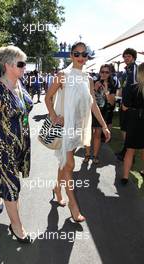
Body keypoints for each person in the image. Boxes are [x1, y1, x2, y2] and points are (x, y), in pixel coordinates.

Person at [45, 42, 110, 222]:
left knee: (65, 162)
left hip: (79, 128)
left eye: (84, 54)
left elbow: (92, 104)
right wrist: (54, 116)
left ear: (87, 56)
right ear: (71, 55)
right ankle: (73, 205)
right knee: (70, 165)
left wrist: (104, 125)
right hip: (65, 128)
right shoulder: (63, 75)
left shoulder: (88, 79)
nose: (81, 57)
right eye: (76, 53)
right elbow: (48, 98)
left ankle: (57, 188)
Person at [0, 45, 33, 243]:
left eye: (24, 63)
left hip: (21, 145)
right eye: (21, 64)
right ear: (8, 65)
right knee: (13, 186)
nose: (25, 67)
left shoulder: (20, 84)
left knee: (5, 179)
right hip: (3, 147)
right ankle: (17, 227)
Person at [85, 64, 117, 163]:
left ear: (110, 73)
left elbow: (112, 102)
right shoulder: (93, 82)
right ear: (99, 72)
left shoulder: (112, 85)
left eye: (107, 72)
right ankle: (87, 154)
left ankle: (95, 155)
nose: (104, 74)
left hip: (102, 112)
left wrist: (106, 90)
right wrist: (94, 88)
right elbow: (87, 98)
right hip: (90, 111)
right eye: (102, 72)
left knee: (97, 134)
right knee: (88, 133)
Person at [121, 62, 144, 185]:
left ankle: (125, 176)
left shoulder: (133, 87)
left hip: (134, 120)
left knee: (130, 150)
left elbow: (124, 106)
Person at [116, 48, 137, 161]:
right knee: (124, 129)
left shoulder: (134, 69)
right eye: (124, 56)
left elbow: (134, 88)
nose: (126, 58)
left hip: (130, 107)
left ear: (133, 57)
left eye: (128, 56)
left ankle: (129, 155)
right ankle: (125, 151)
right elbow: (123, 88)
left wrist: (127, 104)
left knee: (128, 130)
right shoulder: (126, 70)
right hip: (124, 104)